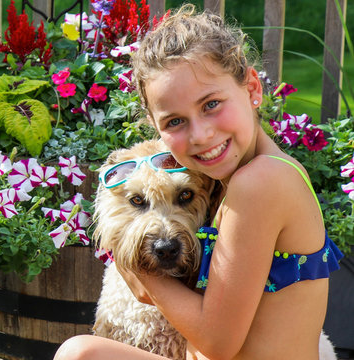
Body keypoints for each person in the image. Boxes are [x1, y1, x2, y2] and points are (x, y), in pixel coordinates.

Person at [54, 4, 343, 360]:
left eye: (211, 105)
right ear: (156, 129)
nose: (201, 135)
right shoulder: (245, 178)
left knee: (78, 355)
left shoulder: (261, 182)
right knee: (83, 352)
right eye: (175, 122)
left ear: (252, 88)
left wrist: (141, 272)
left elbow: (218, 344)